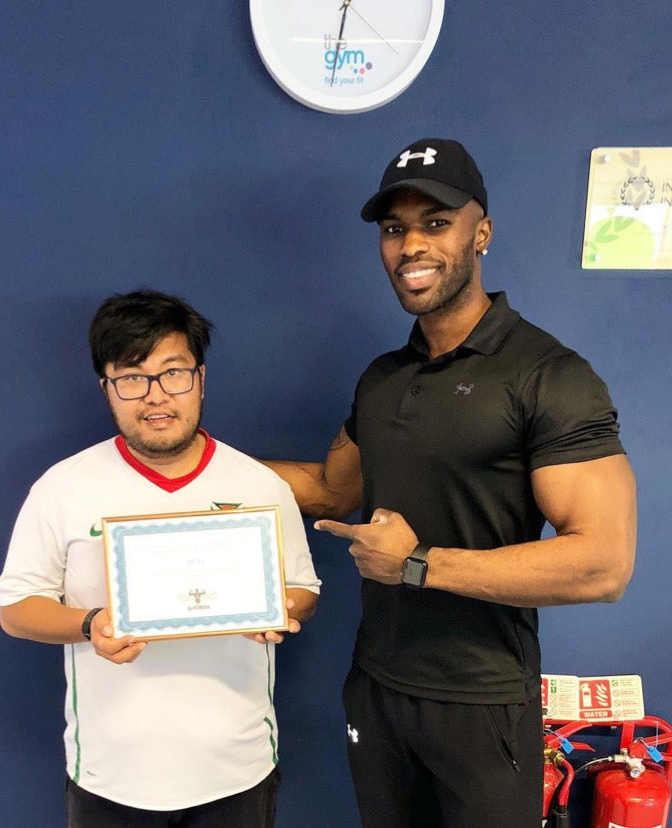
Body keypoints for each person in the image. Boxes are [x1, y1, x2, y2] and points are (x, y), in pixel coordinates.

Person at [262, 138, 637, 827]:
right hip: (377, 687)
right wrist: (196, 460)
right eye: (394, 228)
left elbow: (603, 564)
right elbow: (331, 490)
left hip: (481, 698)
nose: (411, 245)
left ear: (481, 232)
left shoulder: (549, 375)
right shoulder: (382, 378)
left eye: (435, 223)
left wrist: (417, 565)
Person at [0, 290, 320, 828]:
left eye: (173, 373)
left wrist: (275, 608)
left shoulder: (259, 485)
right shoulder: (63, 486)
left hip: (237, 768)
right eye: (131, 378)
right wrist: (92, 624)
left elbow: (305, 590)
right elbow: (16, 609)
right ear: (106, 387)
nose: (155, 396)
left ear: (200, 378)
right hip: (110, 773)